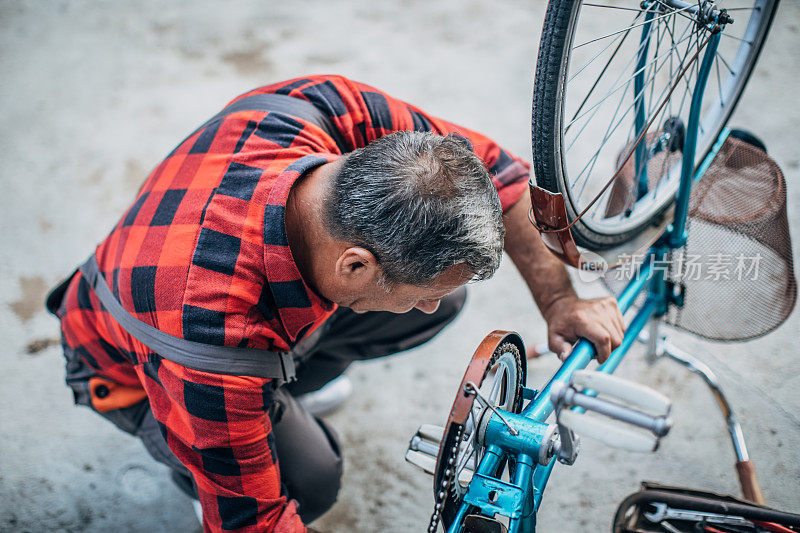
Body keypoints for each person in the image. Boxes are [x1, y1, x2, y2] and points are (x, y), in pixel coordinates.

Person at [48, 75, 625, 532]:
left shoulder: (322, 108)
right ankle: (206, 460)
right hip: (134, 366)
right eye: (419, 294)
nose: (429, 307)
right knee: (311, 479)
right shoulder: (212, 342)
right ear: (355, 264)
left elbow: (503, 180)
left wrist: (559, 301)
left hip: (210, 308)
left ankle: (282, 394)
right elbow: (255, 522)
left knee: (449, 307)